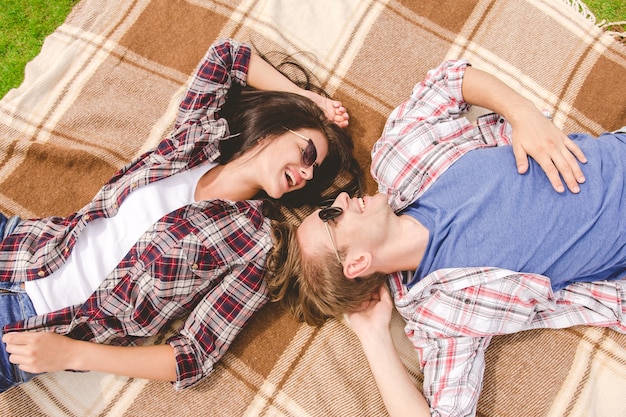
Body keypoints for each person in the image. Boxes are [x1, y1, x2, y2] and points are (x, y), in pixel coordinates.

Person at [0, 38, 360, 393]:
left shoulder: (256, 246)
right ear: (274, 130)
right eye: (308, 153)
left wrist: (73, 353)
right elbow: (227, 56)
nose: (307, 173)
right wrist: (310, 101)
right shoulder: (198, 140)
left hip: (30, 324)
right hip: (19, 246)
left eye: (314, 172)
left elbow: (193, 354)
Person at [288, 59, 626, 416]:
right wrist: (374, 339)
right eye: (331, 216)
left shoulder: (400, 157)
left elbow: (449, 80)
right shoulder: (442, 315)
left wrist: (524, 114)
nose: (341, 199)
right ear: (357, 262)